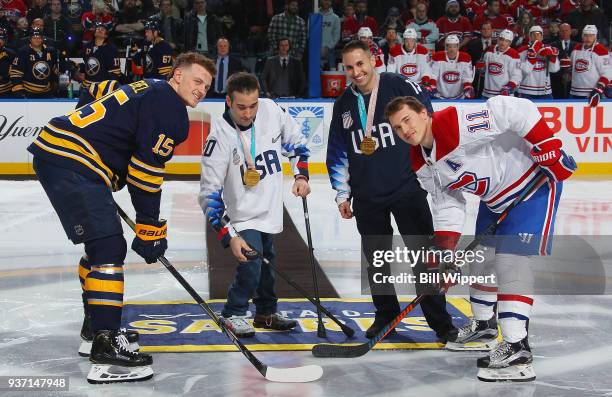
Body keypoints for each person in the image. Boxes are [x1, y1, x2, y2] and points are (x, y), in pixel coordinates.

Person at [27, 52, 215, 383]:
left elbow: (96, 90)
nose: (201, 90)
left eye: (207, 86)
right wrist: (149, 228)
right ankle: (106, 345)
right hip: (74, 164)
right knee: (110, 249)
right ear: (177, 76)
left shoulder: (148, 85)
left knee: (101, 247)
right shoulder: (172, 111)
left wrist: (94, 140)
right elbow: (145, 173)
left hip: (62, 153)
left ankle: (96, 328)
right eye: (197, 81)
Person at [384, 94, 576, 382]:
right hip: (495, 200)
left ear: (424, 113)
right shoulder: (420, 161)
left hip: (532, 187)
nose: (405, 130)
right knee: (482, 261)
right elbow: (446, 201)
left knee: (510, 264)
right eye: (398, 127)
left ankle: (517, 349)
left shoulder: (453, 124)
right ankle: (485, 325)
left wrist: (546, 145)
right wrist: (445, 251)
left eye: (407, 120)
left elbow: (512, 109)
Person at [326, 40, 456, 341]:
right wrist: (342, 193)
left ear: (373, 60)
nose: (356, 72)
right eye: (349, 67)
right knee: (378, 263)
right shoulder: (344, 102)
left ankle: (441, 323)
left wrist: (436, 173)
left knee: (424, 258)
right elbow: (337, 151)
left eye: (360, 64)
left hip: (406, 188)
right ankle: (386, 317)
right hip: (367, 195)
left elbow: (429, 123)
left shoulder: (399, 85)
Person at [198, 72, 311, 338]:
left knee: (267, 261)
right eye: (241, 107)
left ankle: (265, 312)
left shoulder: (271, 110)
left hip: (269, 209)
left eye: (253, 105)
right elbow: (208, 195)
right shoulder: (220, 137)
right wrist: (228, 234)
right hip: (242, 215)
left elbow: (297, 144)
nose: (248, 113)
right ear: (228, 101)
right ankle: (233, 312)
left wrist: (301, 175)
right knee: (252, 261)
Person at [9, 27, 59, 98]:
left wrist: (55, 84)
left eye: (39, 38)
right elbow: (16, 73)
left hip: (46, 92)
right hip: (28, 92)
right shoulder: (23, 52)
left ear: (42, 39)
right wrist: (19, 91)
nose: (37, 40)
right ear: (30, 39)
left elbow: (55, 70)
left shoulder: (50, 51)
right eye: (34, 38)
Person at [569, 25, 611, 107]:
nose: (588, 38)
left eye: (591, 35)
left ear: (595, 36)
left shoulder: (601, 50)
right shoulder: (576, 48)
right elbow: (573, 68)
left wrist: (598, 89)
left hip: (592, 93)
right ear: (582, 36)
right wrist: (567, 67)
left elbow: (608, 73)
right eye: (586, 35)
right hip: (574, 91)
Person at [517, 25, 560, 99]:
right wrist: (532, 55)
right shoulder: (522, 50)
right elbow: (524, 70)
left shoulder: (548, 49)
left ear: (542, 37)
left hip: (545, 90)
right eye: (533, 34)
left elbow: (554, 69)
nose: (536, 37)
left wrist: (552, 57)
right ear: (529, 37)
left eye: (538, 34)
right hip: (526, 90)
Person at [428, 34, 475, 99]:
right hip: (440, 97)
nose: (452, 49)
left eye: (454, 46)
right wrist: (432, 87)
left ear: (458, 46)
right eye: (450, 47)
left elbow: (467, 77)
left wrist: (468, 87)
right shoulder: (437, 57)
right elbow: (433, 75)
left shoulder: (465, 58)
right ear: (446, 47)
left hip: (459, 97)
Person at [78, 21, 122, 91]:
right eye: (98, 29)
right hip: (87, 86)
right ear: (94, 32)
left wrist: (109, 89)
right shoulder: (87, 46)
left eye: (102, 29)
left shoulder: (112, 49)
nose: (99, 30)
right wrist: (81, 71)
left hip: (102, 87)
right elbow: (86, 63)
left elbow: (116, 73)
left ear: (106, 35)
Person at [479, 28, 521, 98]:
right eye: (501, 39)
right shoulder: (489, 51)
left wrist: (509, 86)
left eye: (506, 41)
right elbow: (484, 71)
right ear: (498, 39)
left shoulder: (513, 54)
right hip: (487, 93)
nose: (503, 43)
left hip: (504, 95)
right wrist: (480, 69)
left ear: (510, 43)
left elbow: (517, 76)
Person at [0, 28, 15, 97]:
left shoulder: (11, 53)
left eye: (1, 39)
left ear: (4, 40)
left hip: (6, 89)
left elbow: (15, 72)